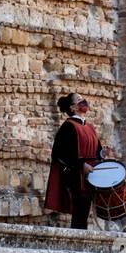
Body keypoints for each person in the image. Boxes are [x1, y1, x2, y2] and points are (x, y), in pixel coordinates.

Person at [45, 93, 106, 230]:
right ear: (72, 108)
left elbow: (97, 151)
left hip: (89, 176)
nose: (83, 101)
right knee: (80, 211)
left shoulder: (90, 127)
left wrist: (102, 153)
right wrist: (81, 165)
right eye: (79, 100)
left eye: (83, 98)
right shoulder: (68, 126)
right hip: (75, 176)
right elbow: (59, 154)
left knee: (84, 211)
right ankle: (78, 241)